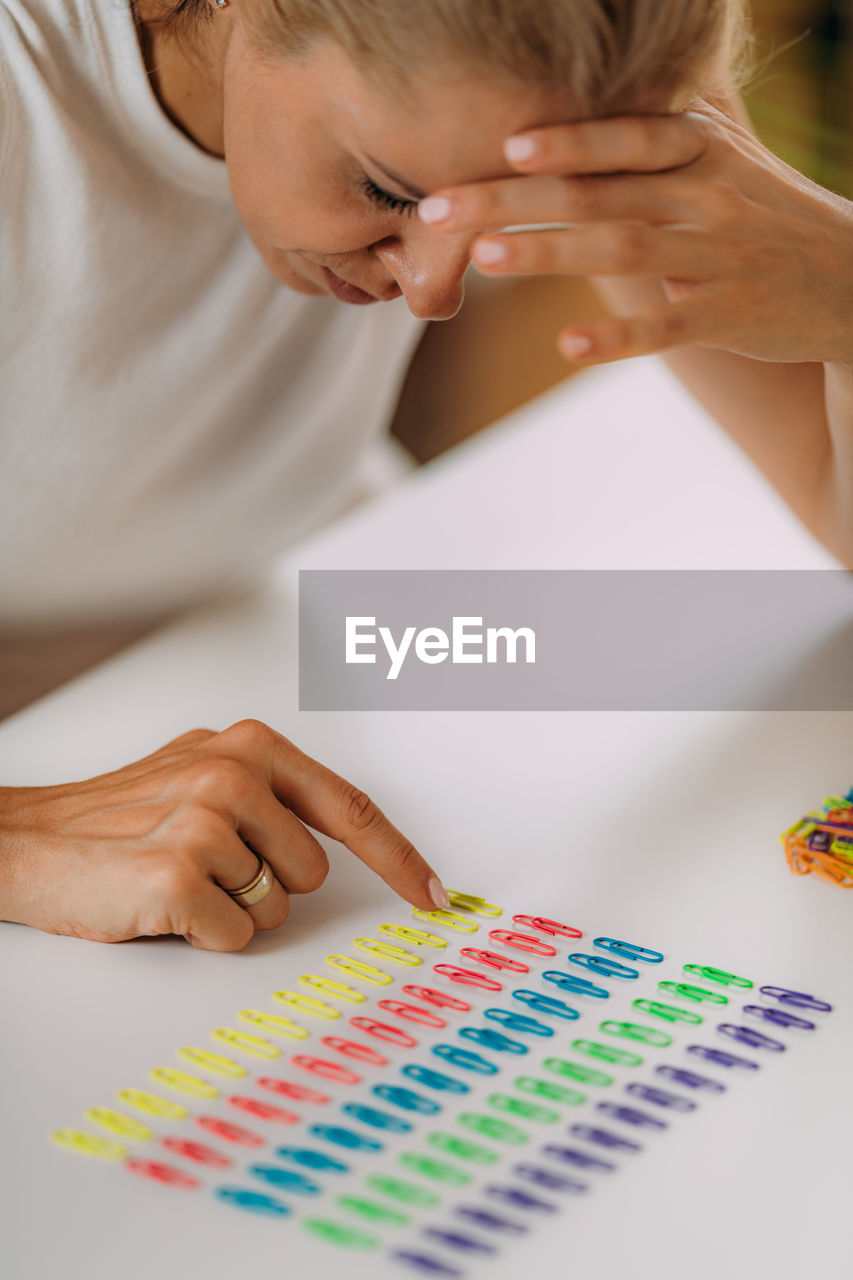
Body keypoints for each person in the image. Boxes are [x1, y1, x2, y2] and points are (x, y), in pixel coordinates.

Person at [1, 0, 851, 950]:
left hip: (289, 641)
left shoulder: (583, 50)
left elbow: (833, 503)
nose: (434, 291)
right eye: (387, 191)